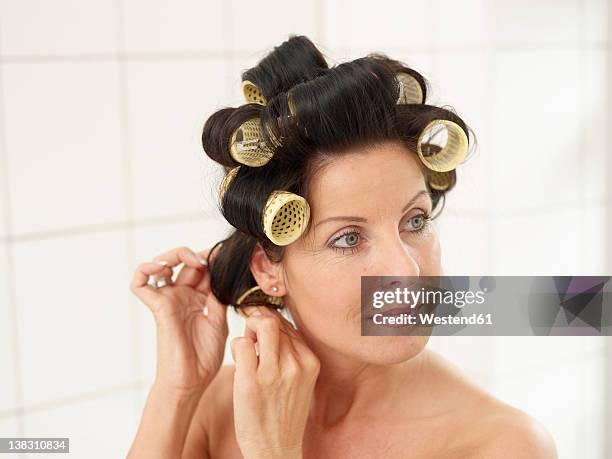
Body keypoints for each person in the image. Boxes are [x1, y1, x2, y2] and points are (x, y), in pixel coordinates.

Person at [127, 35, 557, 459]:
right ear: (268, 269)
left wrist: (274, 452)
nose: (406, 272)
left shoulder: (502, 445)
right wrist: (177, 391)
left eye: (415, 221)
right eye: (349, 238)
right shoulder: (219, 405)